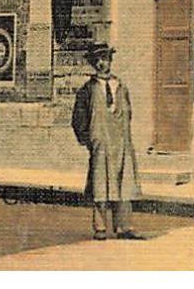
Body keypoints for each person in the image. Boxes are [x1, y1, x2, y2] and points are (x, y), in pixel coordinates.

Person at [71, 44, 144, 240]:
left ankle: (124, 227)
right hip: (101, 142)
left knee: (124, 183)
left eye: (105, 58)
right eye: (98, 60)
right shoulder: (87, 89)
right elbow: (78, 119)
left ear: (111, 60)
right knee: (100, 184)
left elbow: (129, 114)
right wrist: (90, 140)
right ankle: (101, 227)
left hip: (121, 142)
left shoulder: (121, 86)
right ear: (94, 64)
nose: (102, 63)